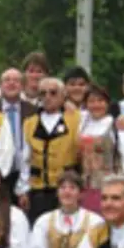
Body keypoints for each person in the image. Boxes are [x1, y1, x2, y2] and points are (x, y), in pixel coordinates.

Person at [16, 77, 81, 223]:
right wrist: (23, 190)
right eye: (43, 93)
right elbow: (25, 160)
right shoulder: (30, 123)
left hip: (66, 188)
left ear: (63, 95)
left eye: (53, 93)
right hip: (38, 189)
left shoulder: (76, 119)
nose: (47, 97)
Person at [78, 84, 124, 212]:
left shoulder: (117, 126)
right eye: (91, 101)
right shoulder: (83, 123)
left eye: (100, 101)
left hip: (110, 187)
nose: (96, 105)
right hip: (86, 186)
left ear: (108, 103)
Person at [0, 68, 37, 197]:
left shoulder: (33, 111)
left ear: (23, 86)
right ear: (0, 85)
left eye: (16, 81)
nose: (11, 83)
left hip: (23, 173)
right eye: (7, 80)